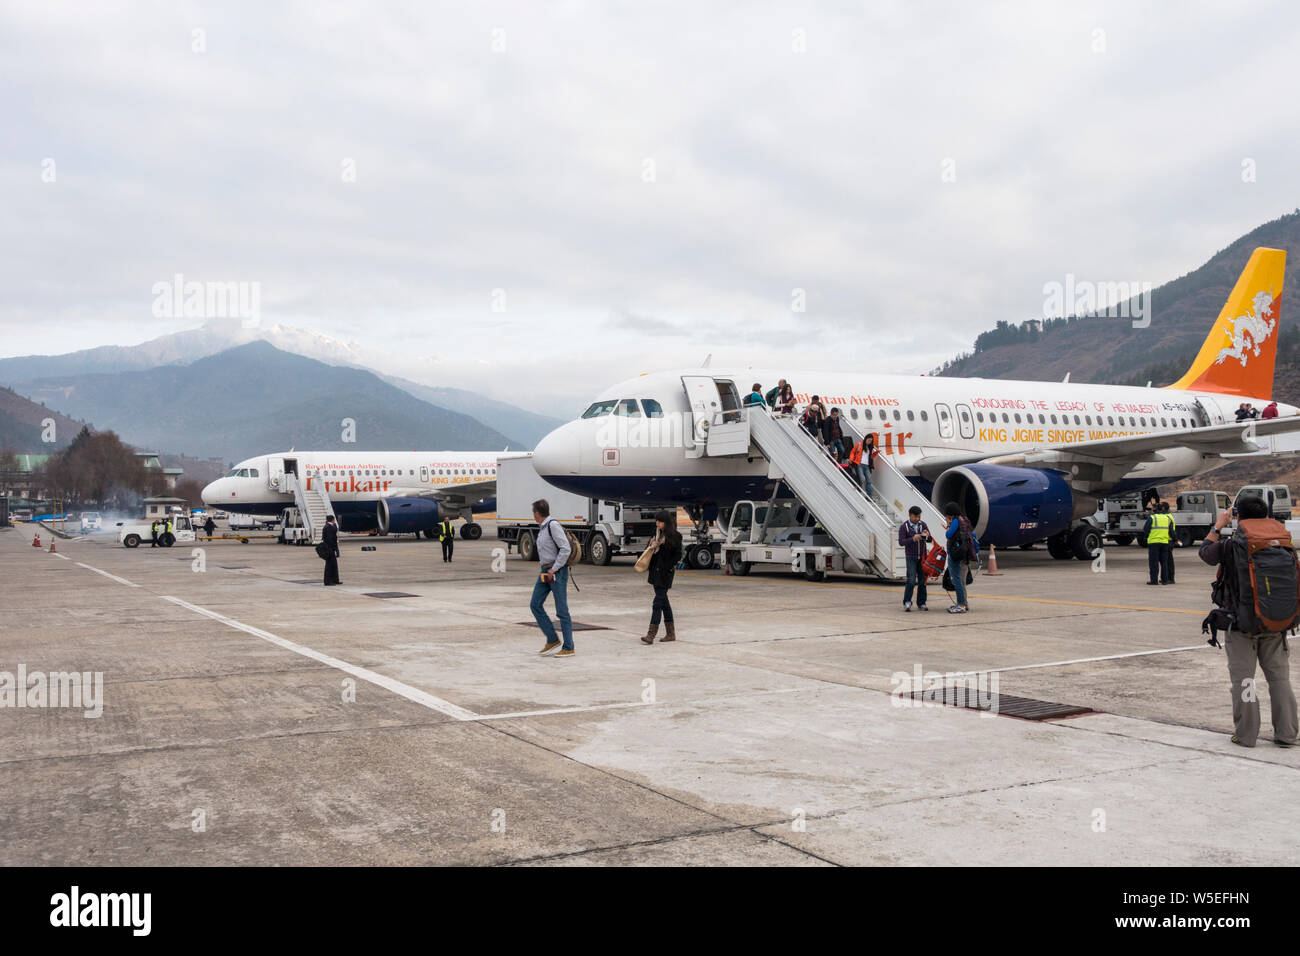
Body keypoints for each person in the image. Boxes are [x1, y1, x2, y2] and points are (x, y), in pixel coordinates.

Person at [1199, 497, 1299, 747]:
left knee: (1245, 681)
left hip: (1241, 625)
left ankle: (1245, 735)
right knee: (1279, 680)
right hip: (1275, 623)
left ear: (1237, 516)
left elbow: (1205, 554)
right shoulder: (1283, 542)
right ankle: (1286, 735)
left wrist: (1217, 526)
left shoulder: (1231, 545)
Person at [530, 498, 575, 657]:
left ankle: (569, 647)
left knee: (562, 610)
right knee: (535, 604)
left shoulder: (552, 525)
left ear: (538, 513)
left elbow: (565, 549)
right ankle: (552, 639)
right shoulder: (542, 527)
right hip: (545, 572)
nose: (533, 515)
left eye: (533, 512)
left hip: (556, 573)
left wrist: (554, 569)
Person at [641, 510, 684, 644]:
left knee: (657, 604)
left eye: (659, 521)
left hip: (665, 574)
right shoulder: (657, 535)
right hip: (655, 573)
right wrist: (651, 545)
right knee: (665, 604)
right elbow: (650, 552)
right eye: (656, 521)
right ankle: (670, 634)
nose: (657, 523)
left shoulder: (675, 536)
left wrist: (669, 566)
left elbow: (678, 555)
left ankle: (651, 635)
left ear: (665, 522)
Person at [899, 506, 931, 612]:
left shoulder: (923, 525)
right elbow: (901, 542)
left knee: (922, 581)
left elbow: (930, 539)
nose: (917, 519)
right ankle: (907, 602)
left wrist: (927, 535)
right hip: (911, 557)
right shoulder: (905, 527)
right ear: (910, 515)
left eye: (919, 516)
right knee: (911, 580)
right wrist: (913, 539)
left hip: (922, 557)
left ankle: (921, 602)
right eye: (915, 517)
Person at [943, 502, 971, 613]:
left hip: (955, 553)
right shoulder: (964, 520)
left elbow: (948, 535)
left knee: (956, 579)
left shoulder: (956, 521)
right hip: (962, 553)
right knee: (959, 579)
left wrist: (949, 525)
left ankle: (961, 604)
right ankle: (963, 603)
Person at [1143, 501, 1174, 585]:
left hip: (1154, 542)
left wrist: (1149, 535)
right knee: (1164, 562)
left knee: (1154, 562)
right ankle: (1164, 580)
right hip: (1164, 542)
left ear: (1155, 510)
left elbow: (1145, 530)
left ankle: (1154, 580)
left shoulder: (1152, 518)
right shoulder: (1166, 518)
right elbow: (1171, 531)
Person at [322, 514, 341, 585]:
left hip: (331, 548)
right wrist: (334, 548)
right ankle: (327, 581)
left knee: (334, 565)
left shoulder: (329, 526)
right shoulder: (328, 527)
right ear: (333, 520)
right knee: (329, 565)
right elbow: (330, 539)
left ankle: (335, 580)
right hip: (329, 548)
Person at [1161, 501, 1177, 584]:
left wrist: (1175, 539)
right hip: (1166, 540)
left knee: (1168, 560)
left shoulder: (1167, 517)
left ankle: (1170, 578)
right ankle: (1167, 577)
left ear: (1163, 508)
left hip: (1168, 541)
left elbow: (1171, 531)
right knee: (1166, 560)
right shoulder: (1167, 516)